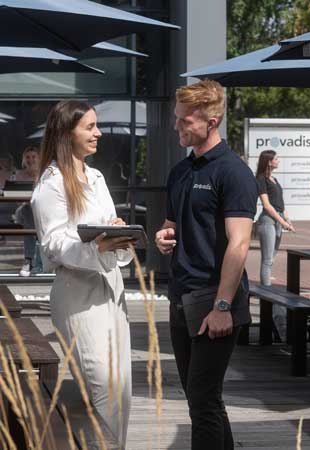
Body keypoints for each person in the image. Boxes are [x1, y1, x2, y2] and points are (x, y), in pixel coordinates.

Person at [155, 80, 258, 450]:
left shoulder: (233, 172)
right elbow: (172, 225)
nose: (177, 126)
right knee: (203, 398)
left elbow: (240, 243)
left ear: (212, 121)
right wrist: (164, 236)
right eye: (177, 118)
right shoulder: (181, 172)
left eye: (186, 121)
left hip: (215, 302)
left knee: (202, 398)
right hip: (180, 297)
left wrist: (222, 307)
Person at [31, 100, 134, 446]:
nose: (98, 133)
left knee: (121, 392)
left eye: (96, 125)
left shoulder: (96, 176)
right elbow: (54, 244)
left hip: (111, 290)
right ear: (66, 132)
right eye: (89, 127)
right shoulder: (51, 184)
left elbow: (104, 227)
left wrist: (118, 231)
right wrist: (97, 248)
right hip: (78, 296)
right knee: (102, 387)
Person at [256, 150, 295, 339]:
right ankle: (266, 288)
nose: (278, 161)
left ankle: (267, 285)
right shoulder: (261, 179)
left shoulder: (275, 180)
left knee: (272, 258)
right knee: (267, 259)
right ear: (269, 162)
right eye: (276, 159)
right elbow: (267, 205)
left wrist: (287, 219)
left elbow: (281, 203)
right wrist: (282, 221)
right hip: (268, 221)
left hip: (278, 220)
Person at [15, 146, 41, 276]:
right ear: (24, 160)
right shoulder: (19, 174)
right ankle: (30, 260)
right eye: (28, 157)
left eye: (33, 157)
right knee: (27, 210)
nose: (31, 160)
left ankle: (29, 260)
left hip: (43, 211)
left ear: (39, 158)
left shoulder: (45, 173)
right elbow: (17, 199)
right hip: (25, 211)